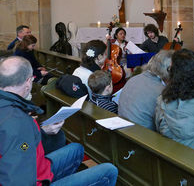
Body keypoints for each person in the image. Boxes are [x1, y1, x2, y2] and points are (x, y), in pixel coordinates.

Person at [0, 56, 118, 185]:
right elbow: (17, 170)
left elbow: (21, 145)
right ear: (29, 81)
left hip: (38, 167)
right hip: (36, 179)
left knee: (76, 148)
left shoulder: (9, 107)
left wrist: (43, 131)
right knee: (109, 170)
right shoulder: (17, 123)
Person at [118, 50, 173, 130]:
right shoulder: (161, 90)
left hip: (124, 130)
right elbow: (166, 127)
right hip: (142, 137)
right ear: (168, 70)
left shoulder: (133, 79)